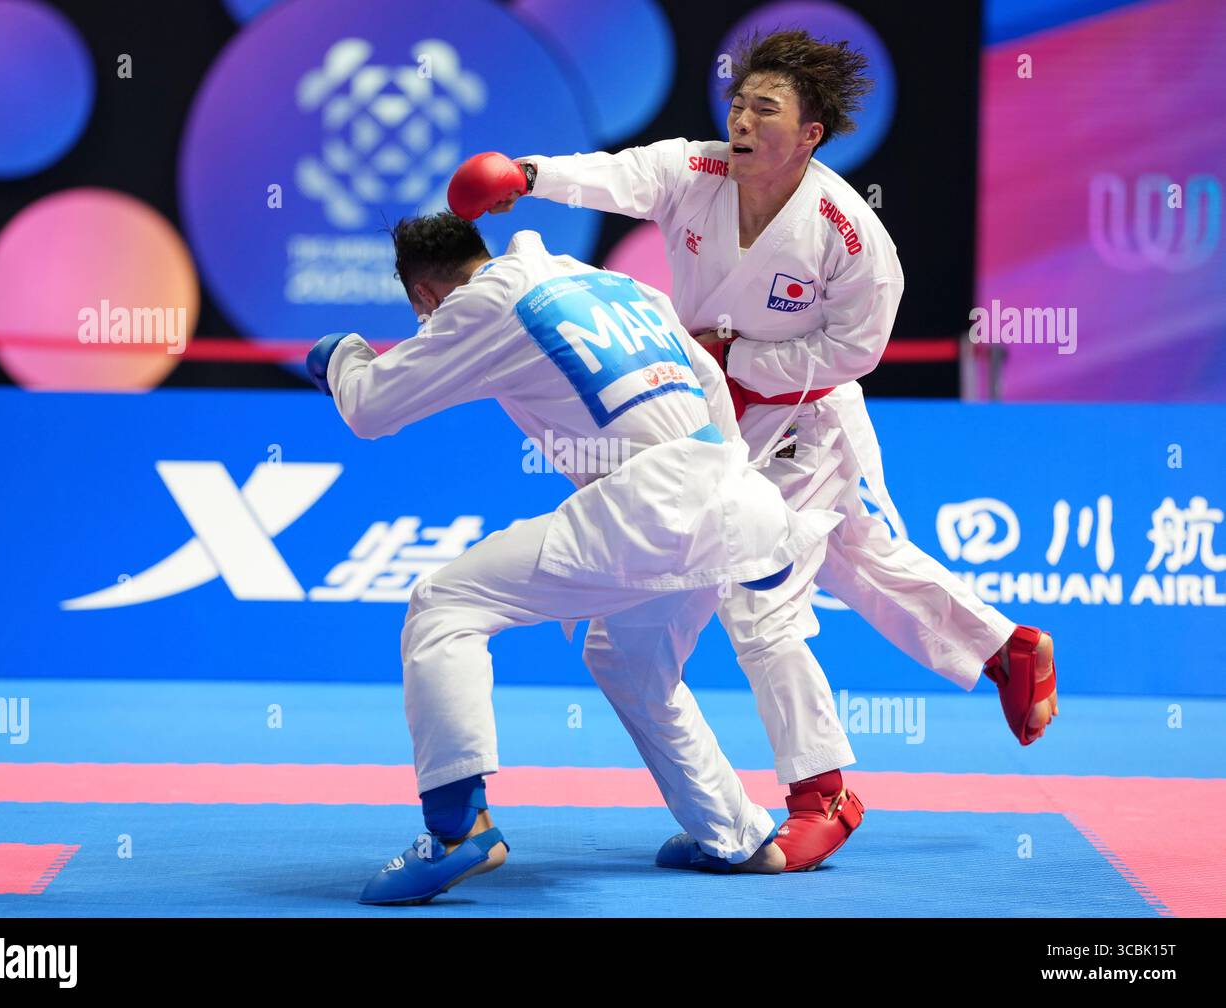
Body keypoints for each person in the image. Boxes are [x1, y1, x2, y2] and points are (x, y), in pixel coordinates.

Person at [448, 27, 1058, 871]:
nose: (740, 118)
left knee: (758, 597)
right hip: (723, 424)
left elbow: (857, 351)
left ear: (808, 133)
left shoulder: (849, 234)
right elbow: (618, 175)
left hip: (806, 421)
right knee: (862, 557)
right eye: (738, 102)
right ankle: (1004, 647)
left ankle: (825, 795)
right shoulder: (693, 171)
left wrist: (741, 360)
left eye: (764, 108)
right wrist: (527, 176)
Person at [306, 212, 844, 904]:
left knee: (444, 606)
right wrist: (726, 505)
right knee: (629, 662)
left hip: (645, 504)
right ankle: (738, 838)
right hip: (730, 490)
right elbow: (710, 381)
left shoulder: (480, 302)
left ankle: (456, 828)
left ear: (423, 300)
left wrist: (343, 353)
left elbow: (370, 408)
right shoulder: (616, 284)